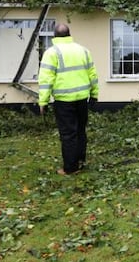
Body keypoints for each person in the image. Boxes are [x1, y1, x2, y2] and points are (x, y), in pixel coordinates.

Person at [38, 23, 99, 175]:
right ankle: (80, 160)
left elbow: (46, 80)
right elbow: (92, 74)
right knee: (80, 131)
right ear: (69, 34)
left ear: (54, 36)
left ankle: (70, 168)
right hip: (82, 99)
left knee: (68, 134)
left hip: (64, 101)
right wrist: (94, 94)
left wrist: (43, 102)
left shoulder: (51, 53)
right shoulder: (83, 51)